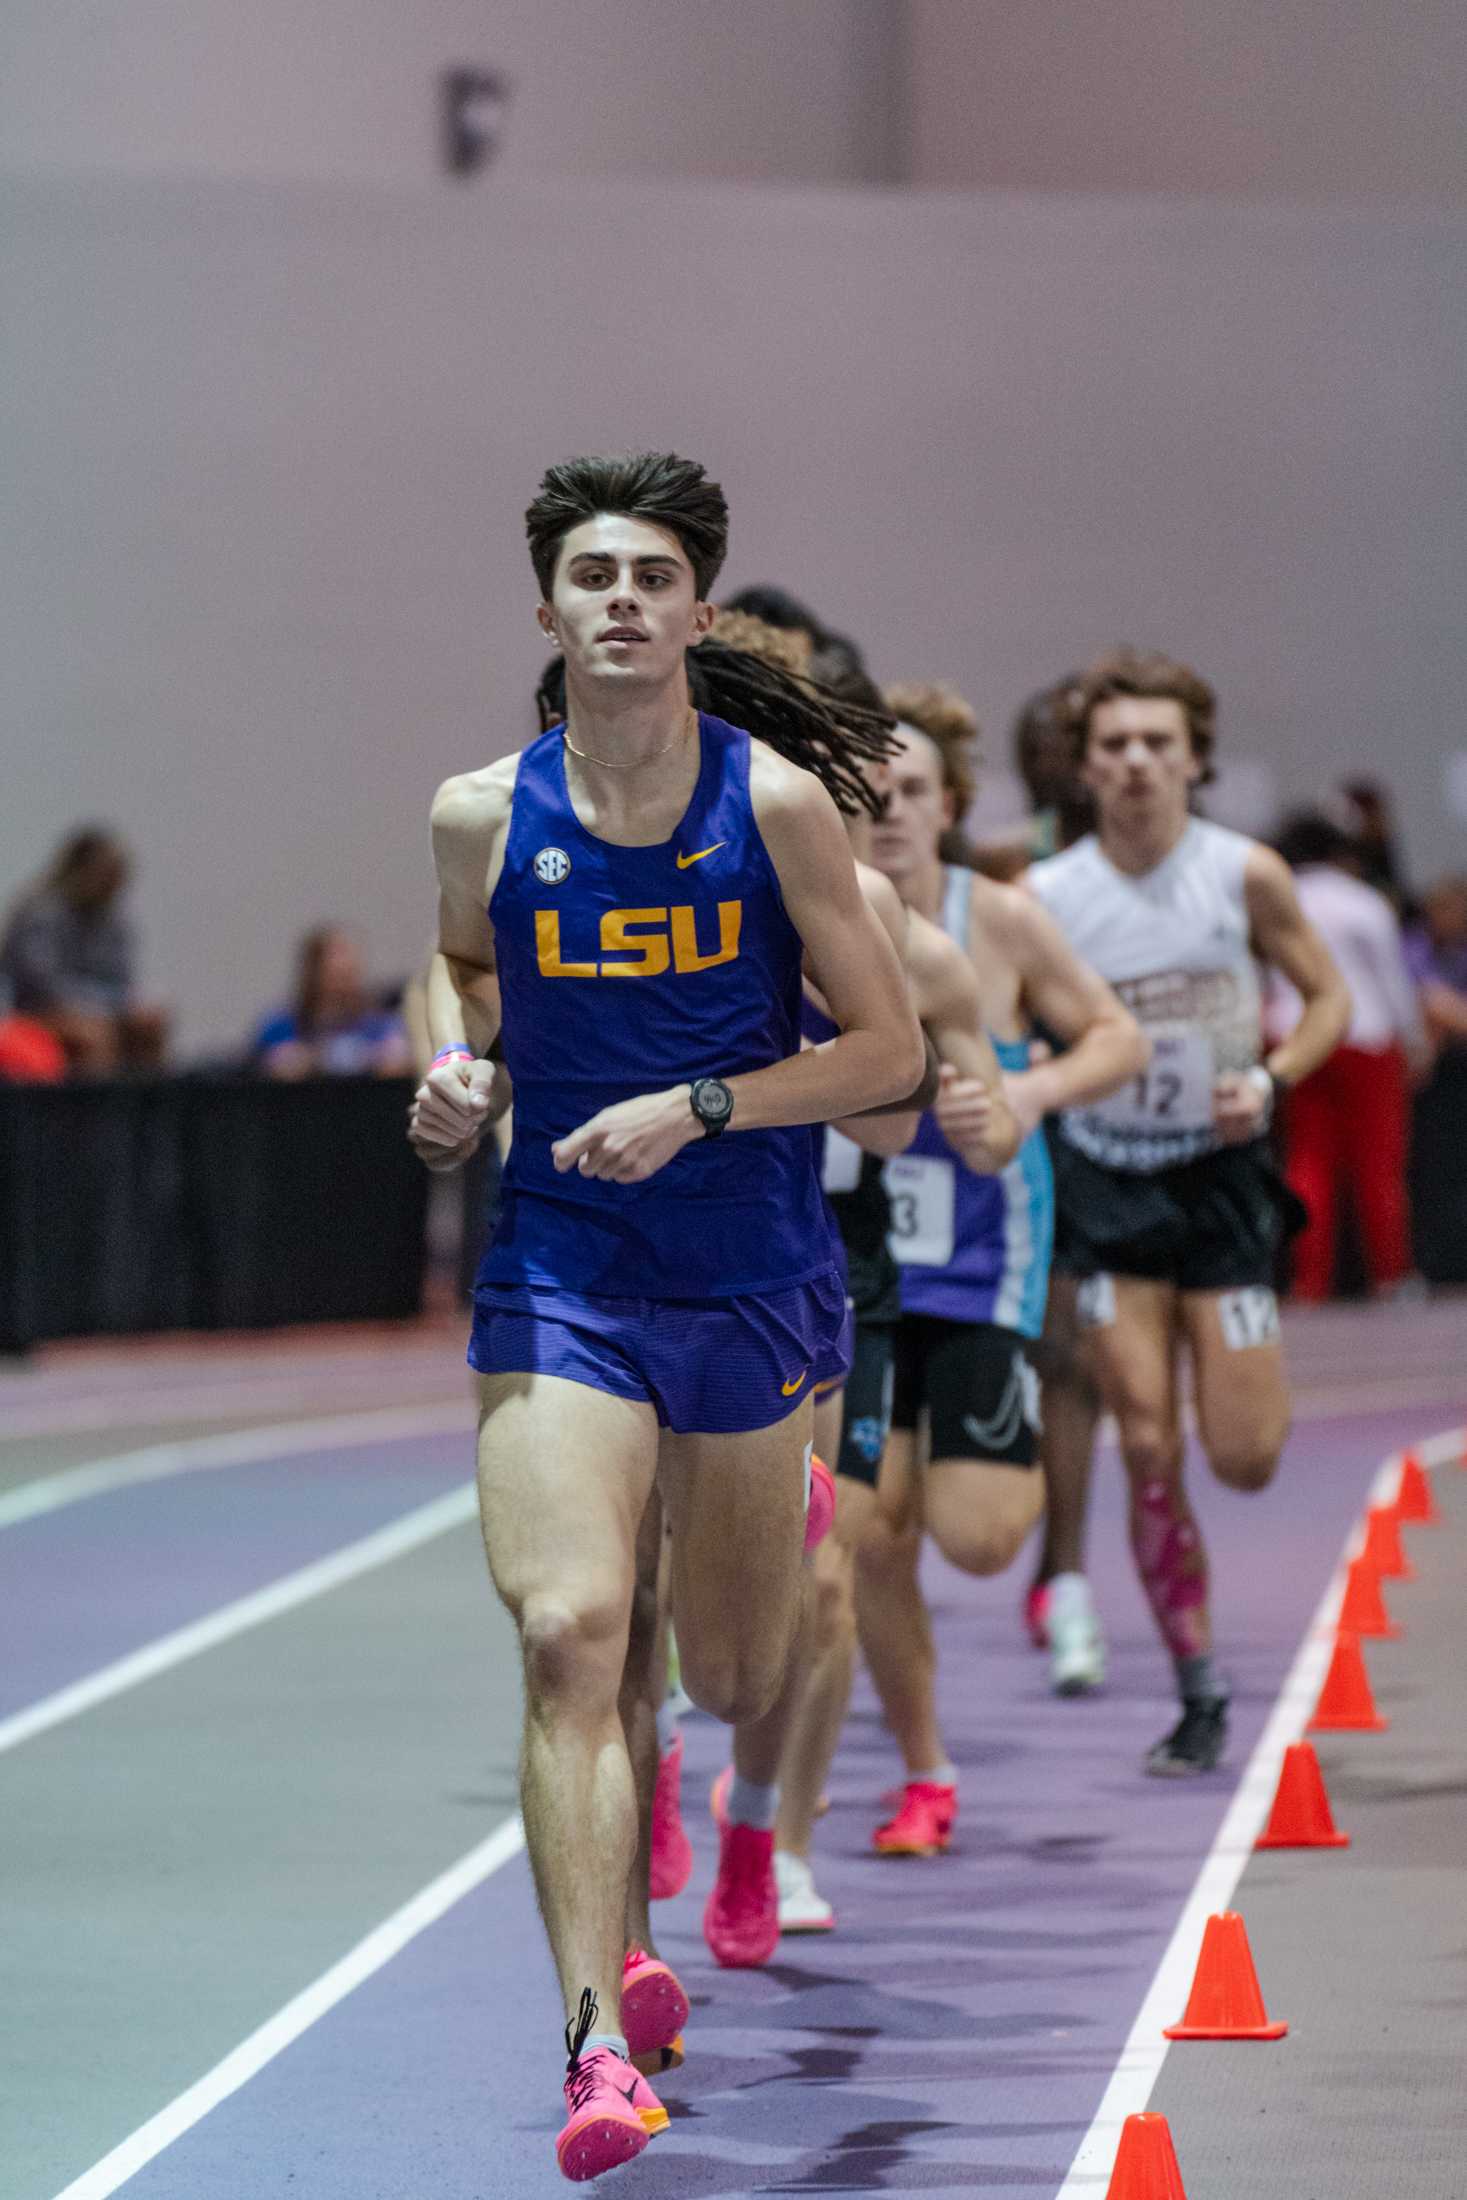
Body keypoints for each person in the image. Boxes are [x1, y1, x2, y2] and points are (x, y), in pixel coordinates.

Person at [406, 451, 924, 2182]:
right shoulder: (481, 811)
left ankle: (765, 1541)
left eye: (650, 576)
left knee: (730, 1666)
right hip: (559, 1268)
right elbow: (468, 969)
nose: (620, 600)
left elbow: (885, 1062)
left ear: (697, 609)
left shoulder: (775, 807)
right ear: (547, 612)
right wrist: (463, 1068)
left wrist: (703, 1105)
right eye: (589, 576)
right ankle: (590, 2051)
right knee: (567, 1630)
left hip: (751, 1275)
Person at [693, 635, 1020, 1952]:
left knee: (830, 1575)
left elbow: (938, 1111)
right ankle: (668, 1762)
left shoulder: (880, 918)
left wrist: (993, 1102)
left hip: (838, 1264)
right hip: (675, 1256)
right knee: (675, 1584)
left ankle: (768, 1836)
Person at [1028, 647, 1349, 1774]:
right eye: (1114, 745)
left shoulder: (1243, 872)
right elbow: (1001, 1019)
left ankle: (1199, 1659)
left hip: (1220, 1187)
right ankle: (1198, 1688)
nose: (1136, 763)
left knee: (1247, 1453)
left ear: (1195, 757)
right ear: (1086, 765)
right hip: (1108, 1189)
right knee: (1149, 1443)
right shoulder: (1049, 895)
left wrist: (1269, 1078)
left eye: (1157, 743)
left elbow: (1327, 995)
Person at [847, 685, 1145, 1849]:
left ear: (951, 805)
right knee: (870, 1535)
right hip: (859, 1270)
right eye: (867, 794)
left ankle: (1022, 1567)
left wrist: (1026, 1088)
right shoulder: (820, 924)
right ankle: (924, 1768)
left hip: (983, 1266)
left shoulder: (1002, 923)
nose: (889, 812)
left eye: (913, 791)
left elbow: (1116, 1035)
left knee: (973, 1535)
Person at [1271, 811, 1429, 1301]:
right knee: (1378, 1161)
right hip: (1367, 1037)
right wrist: (1414, 1039)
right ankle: (1391, 1274)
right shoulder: (1363, 902)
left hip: (1297, 1038)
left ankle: (1310, 1282)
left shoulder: (1279, 898)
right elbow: (1392, 980)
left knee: (1308, 1160)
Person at [0, 827, 168, 1073]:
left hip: (96, 1008)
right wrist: (100, 1006)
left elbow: (122, 979)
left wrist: (122, 1006)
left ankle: (149, 1108)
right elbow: (44, 986)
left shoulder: (113, 920)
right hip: (38, 1012)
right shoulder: (42, 914)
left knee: (149, 1023)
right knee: (93, 1035)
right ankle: (97, 1110)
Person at [251, 925, 413, 1078]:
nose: (344, 987)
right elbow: (257, 1064)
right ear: (313, 975)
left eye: (350, 975)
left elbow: (400, 1055)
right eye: (336, 977)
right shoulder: (283, 1024)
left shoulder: (378, 1023)